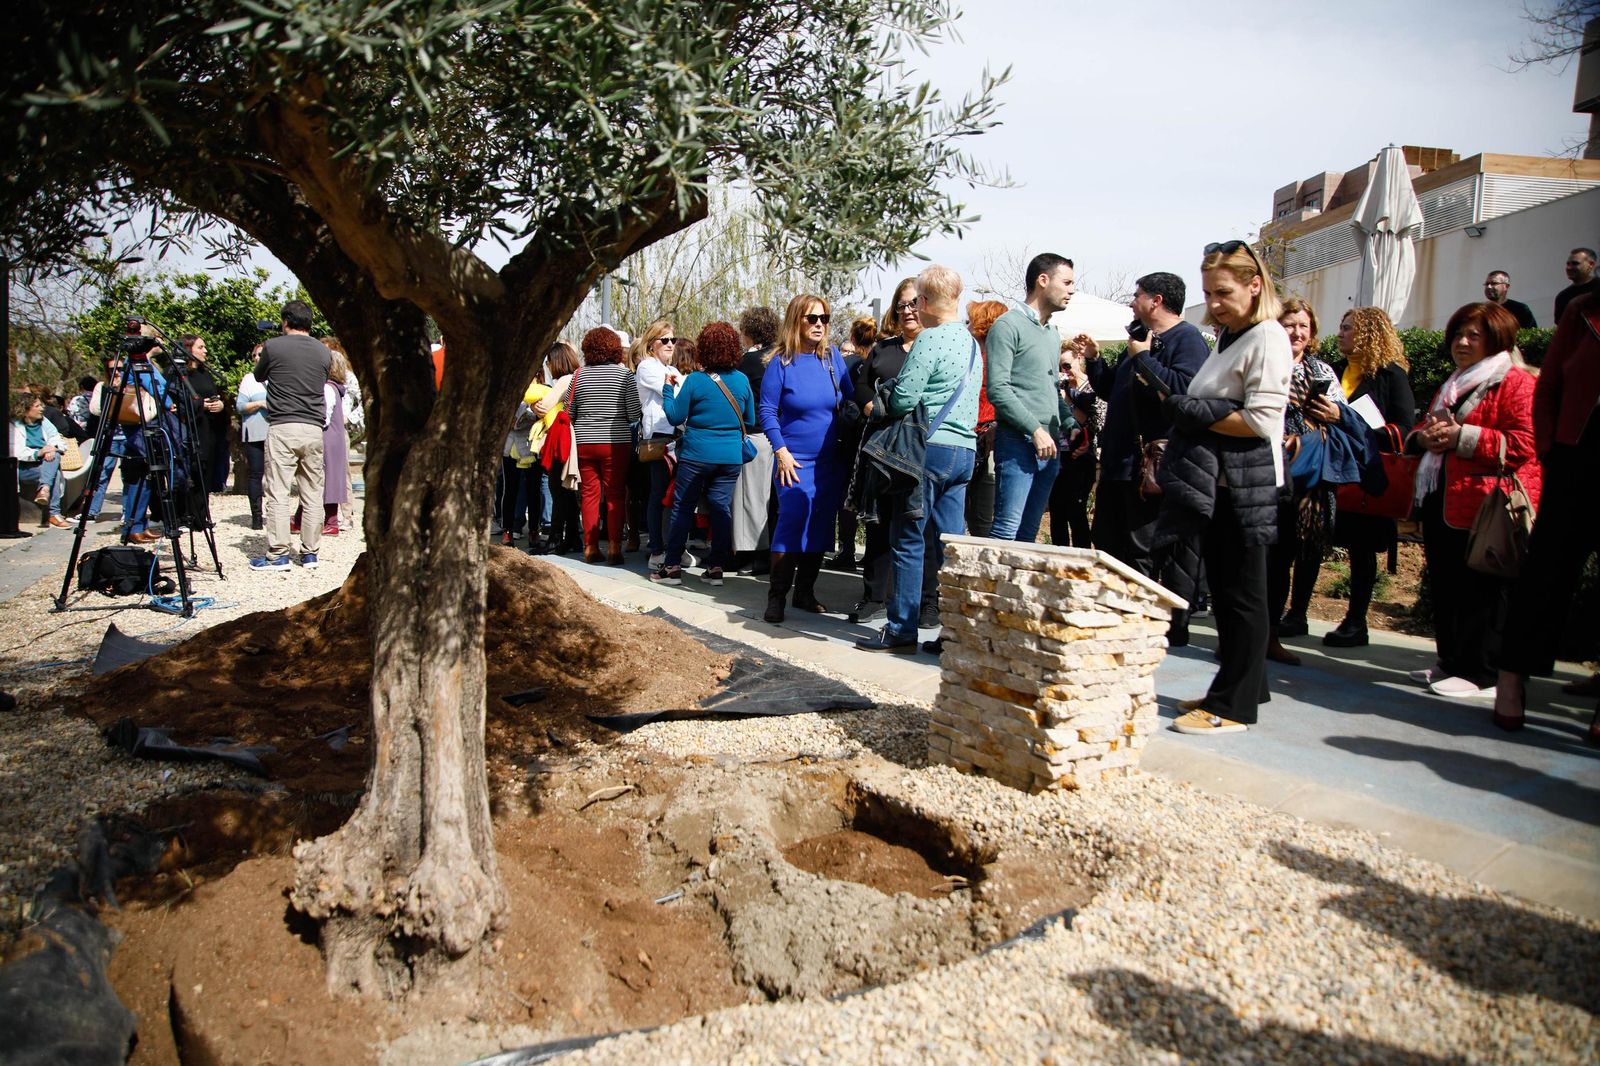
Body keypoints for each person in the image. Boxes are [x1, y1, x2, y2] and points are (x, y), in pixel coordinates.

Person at [1163, 240, 1292, 736]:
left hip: (1246, 484)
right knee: (1229, 591)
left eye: (1223, 293)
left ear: (1254, 286)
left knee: (1243, 595)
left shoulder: (1267, 337)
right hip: (1220, 483)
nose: (1213, 304)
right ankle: (1243, 684)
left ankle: (1234, 705)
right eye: (1208, 294)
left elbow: (1260, 420)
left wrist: (1197, 416)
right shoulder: (1232, 335)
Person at [1406, 302, 1542, 699]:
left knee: (1482, 589)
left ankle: (1482, 671)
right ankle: (1450, 662)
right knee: (1447, 585)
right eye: (1458, 335)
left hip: (1487, 504)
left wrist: (1461, 438)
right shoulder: (1454, 382)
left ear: (1495, 340)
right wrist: (1424, 438)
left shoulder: (1515, 382)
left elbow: (1524, 444)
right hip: (1444, 499)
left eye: (1473, 336)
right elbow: (1424, 426)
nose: (1462, 343)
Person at [855, 266, 979, 653]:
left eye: (915, 301)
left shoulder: (930, 339)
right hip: (964, 451)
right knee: (948, 544)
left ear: (924, 302)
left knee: (908, 539)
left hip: (929, 450)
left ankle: (902, 630)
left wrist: (883, 395)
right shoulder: (972, 342)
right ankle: (951, 630)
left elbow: (906, 398)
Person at [1493, 292, 1600, 741]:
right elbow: (1551, 383)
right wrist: (1549, 451)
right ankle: (1513, 676)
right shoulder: (1585, 311)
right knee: (1546, 572)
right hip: (1578, 454)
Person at [1081, 271, 1211, 571]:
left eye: (1137, 294)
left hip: (1147, 469)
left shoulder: (1187, 340)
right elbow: (1111, 389)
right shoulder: (1141, 340)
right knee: (1106, 544)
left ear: (1157, 300)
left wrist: (1143, 359)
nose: (1132, 301)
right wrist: (1095, 360)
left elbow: (1182, 391)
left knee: (1141, 552)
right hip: (1118, 466)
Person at [1322, 307, 1416, 647]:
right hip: (1333, 471)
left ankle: (1355, 621)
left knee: (1362, 552)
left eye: (1347, 328)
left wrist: (1355, 425)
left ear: (1368, 333)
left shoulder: (1391, 375)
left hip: (1367, 476)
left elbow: (1404, 429)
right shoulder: (1335, 372)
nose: (1341, 333)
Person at [759, 294, 852, 623]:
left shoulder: (832, 358)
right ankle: (777, 597)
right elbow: (767, 410)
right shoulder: (781, 362)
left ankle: (805, 592)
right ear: (796, 320)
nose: (818, 325)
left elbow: (851, 400)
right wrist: (780, 450)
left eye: (824, 319)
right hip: (793, 461)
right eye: (811, 318)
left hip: (830, 462)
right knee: (791, 522)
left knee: (820, 525)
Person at [1266, 297, 1346, 663]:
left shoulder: (1323, 372)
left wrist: (1333, 413)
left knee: (1286, 557)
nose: (1296, 332)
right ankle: (1240, 638)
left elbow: (1346, 421)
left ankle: (1271, 636)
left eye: (1303, 326)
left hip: (1306, 477)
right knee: (1257, 557)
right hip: (1264, 468)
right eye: (1289, 324)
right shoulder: (1265, 364)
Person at [652, 321, 753, 586]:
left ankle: (672, 567)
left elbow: (675, 416)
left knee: (683, 506)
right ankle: (716, 567)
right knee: (720, 508)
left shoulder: (696, 380)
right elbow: (750, 418)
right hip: (730, 457)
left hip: (697, 454)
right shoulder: (742, 380)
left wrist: (667, 389)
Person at [847, 278, 923, 623]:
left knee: (912, 525)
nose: (908, 311)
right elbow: (861, 384)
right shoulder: (883, 348)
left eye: (914, 303)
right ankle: (874, 595)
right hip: (880, 447)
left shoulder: (934, 347)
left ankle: (918, 602)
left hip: (919, 449)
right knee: (878, 522)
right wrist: (867, 406)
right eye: (902, 304)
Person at [986, 252, 1075, 541]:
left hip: (1050, 447)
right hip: (1018, 443)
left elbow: (1050, 389)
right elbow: (997, 390)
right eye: (1067, 282)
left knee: (1028, 535)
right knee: (1006, 532)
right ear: (1043, 280)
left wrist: (1070, 423)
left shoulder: (1052, 333)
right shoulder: (1007, 325)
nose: (1072, 290)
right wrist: (1034, 430)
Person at [251, 299, 332, 570]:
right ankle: (310, 553)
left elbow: (258, 375)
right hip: (313, 427)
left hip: (283, 424)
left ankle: (279, 553)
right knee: (312, 492)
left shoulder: (273, 346)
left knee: (278, 491)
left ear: (286, 321)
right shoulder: (323, 351)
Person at [569, 326, 640, 564]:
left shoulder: (578, 375)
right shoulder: (625, 376)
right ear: (615, 349)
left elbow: (569, 413)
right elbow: (634, 413)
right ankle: (613, 547)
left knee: (588, 494)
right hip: (616, 442)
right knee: (616, 495)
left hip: (584, 441)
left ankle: (589, 548)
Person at [828, 314, 879, 571]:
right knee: (872, 499)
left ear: (852, 336)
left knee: (846, 498)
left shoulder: (846, 364)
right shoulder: (879, 360)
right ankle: (871, 554)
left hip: (847, 437)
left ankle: (846, 551)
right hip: (873, 434)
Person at [732, 306, 779, 572]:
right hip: (780, 436)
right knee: (771, 500)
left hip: (756, 433)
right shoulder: (781, 357)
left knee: (752, 500)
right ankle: (770, 554)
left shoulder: (748, 362)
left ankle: (753, 557)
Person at [630, 320, 679, 566]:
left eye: (673, 340)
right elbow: (675, 392)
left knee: (674, 495)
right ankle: (657, 548)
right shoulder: (648, 367)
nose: (670, 344)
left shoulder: (671, 369)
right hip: (658, 436)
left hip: (675, 435)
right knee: (659, 493)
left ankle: (672, 546)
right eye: (665, 340)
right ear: (652, 344)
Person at [532, 340, 583, 555]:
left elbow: (544, 406)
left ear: (557, 361)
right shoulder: (580, 377)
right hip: (577, 439)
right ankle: (572, 538)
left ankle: (556, 538)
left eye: (549, 362)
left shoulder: (564, 380)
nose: (548, 367)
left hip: (562, 442)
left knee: (557, 488)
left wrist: (534, 404)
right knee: (568, 492)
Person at [965, 300, 1009, 540]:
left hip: (987, 439)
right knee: (979, 517)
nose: (968, 324)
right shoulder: (975, 355)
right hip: (977, 439)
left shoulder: (989, 358)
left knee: (981, 515)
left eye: (972, 319)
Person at [1048, 336, 1096, 547]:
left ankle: (1081, 558)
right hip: (1059, 455)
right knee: (1057, 511)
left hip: (1081, 458)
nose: (1064, 371)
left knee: (1076, 512)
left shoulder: (1092, 385)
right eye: (1060, 366)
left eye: (1067, 365)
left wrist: (1066, 397)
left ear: (1079, 359)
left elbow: (1087, 420)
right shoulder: (1060, 388)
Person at [177, 333, 232, 493]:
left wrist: (220, 405)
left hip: (209, 433)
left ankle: (202, 516)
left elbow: (215, 395)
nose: (205, 351)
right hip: (189, 433)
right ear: (188, 349)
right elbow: (177, 402)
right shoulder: (177, 373)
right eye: (201, 347)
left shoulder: (205, 373)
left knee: (206, 478)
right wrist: (202, 405)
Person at [12, 393, 69, 528]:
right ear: (26, 409)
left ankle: (45, 489)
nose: (42, 408)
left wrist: (51, 448)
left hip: (45, 465)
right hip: (24, 469)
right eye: (37, 406)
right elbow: (17, 452)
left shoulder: (44, 422)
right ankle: (54, 514)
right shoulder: (14, 426)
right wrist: (39, 453)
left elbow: (57, 439)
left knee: (54, 457)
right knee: (54, 472)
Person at [236, 344, 269, 529]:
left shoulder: (278, 377)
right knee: (256, 474)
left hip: (275, 432)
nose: (258, 358)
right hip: (255, 433)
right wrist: (259, 403)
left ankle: (274, 516)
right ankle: (256, 516)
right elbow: (240, 406)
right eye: (255, 355)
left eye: (261, 355)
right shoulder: (249, 380)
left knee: (276, 476)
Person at [1554, 247, 1598, 323]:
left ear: (1591, 264)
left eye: (1575, 263)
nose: (1569, 268)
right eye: (1568, 264)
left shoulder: (1598, 288)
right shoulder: (1563, 297)